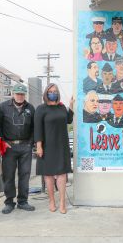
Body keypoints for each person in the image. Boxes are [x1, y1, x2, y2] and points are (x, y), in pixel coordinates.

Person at [0, 83, 36, 214]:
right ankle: (9, 202)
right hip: (9, 146)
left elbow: (34, 128)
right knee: (8, 175)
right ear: (13, 94)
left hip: (25, 146)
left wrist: (30, 143)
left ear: (25, 95)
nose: (20, 96)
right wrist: (2, 142)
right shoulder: (3, 107)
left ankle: (23, 201)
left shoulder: (30, 108)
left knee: (25, 175)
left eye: (22, 94)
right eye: (18, 93)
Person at [34, 83, 74, 214]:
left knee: (62, 174)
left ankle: (62, 202)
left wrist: (71, 107)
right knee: (49, 175)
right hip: (47, 146)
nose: (53, 93)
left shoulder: (62, 107)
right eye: (50, 91)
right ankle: (52, 201)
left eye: (55, 91)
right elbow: (37, 128)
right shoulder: (41, 109)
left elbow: (68, 120)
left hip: (62, 144)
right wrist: (39, 146)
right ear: (46, 93)